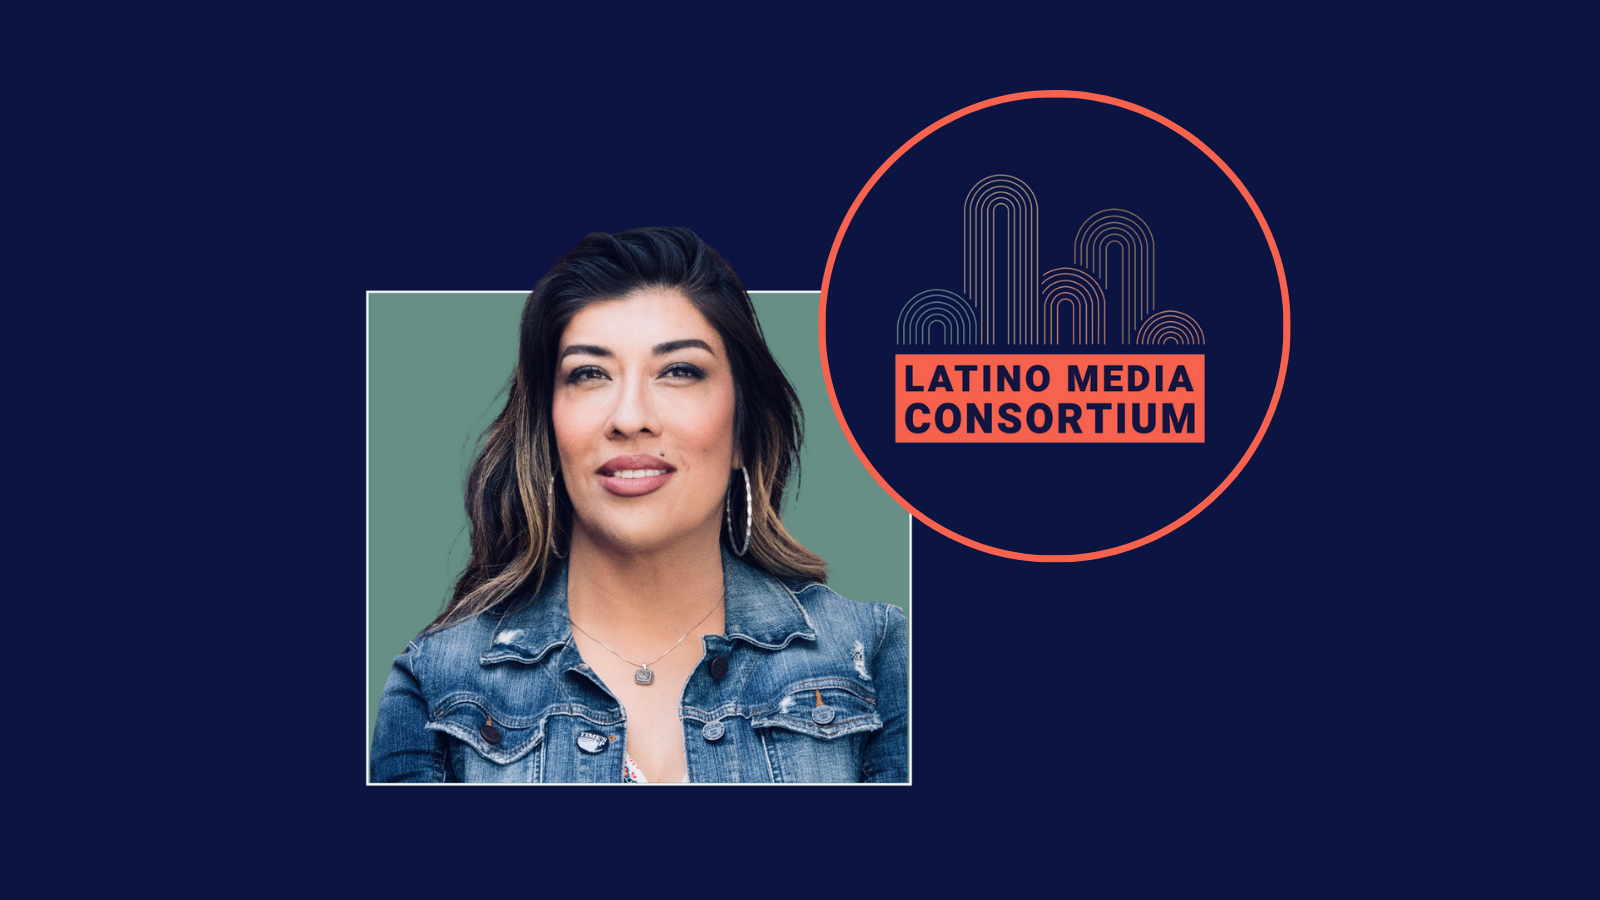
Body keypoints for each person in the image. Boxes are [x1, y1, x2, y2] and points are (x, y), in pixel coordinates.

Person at [371, 227, 909, 783]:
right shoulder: (435, 684)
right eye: (589, 373)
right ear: (549, 431)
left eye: (679, 371)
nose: (630, 416)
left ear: (744, 432)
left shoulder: (873, 655)